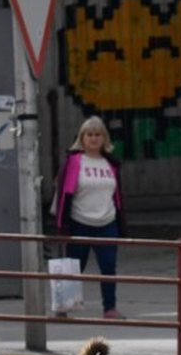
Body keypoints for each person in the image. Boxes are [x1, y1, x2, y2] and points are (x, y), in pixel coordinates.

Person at [52, 116, 127, 319]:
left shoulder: (111, 163)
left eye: (98, 135)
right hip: (80, 222)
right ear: (82, 138)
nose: (94, 139)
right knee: (75, 266)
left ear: (104, 138)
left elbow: (117, 195)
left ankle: (109, 308)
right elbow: (65, 194)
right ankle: (63, 306)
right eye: (89, 135)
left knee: (109, 266)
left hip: (107, 222)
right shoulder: (74, 162)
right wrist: (62, 225)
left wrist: (121, 224)